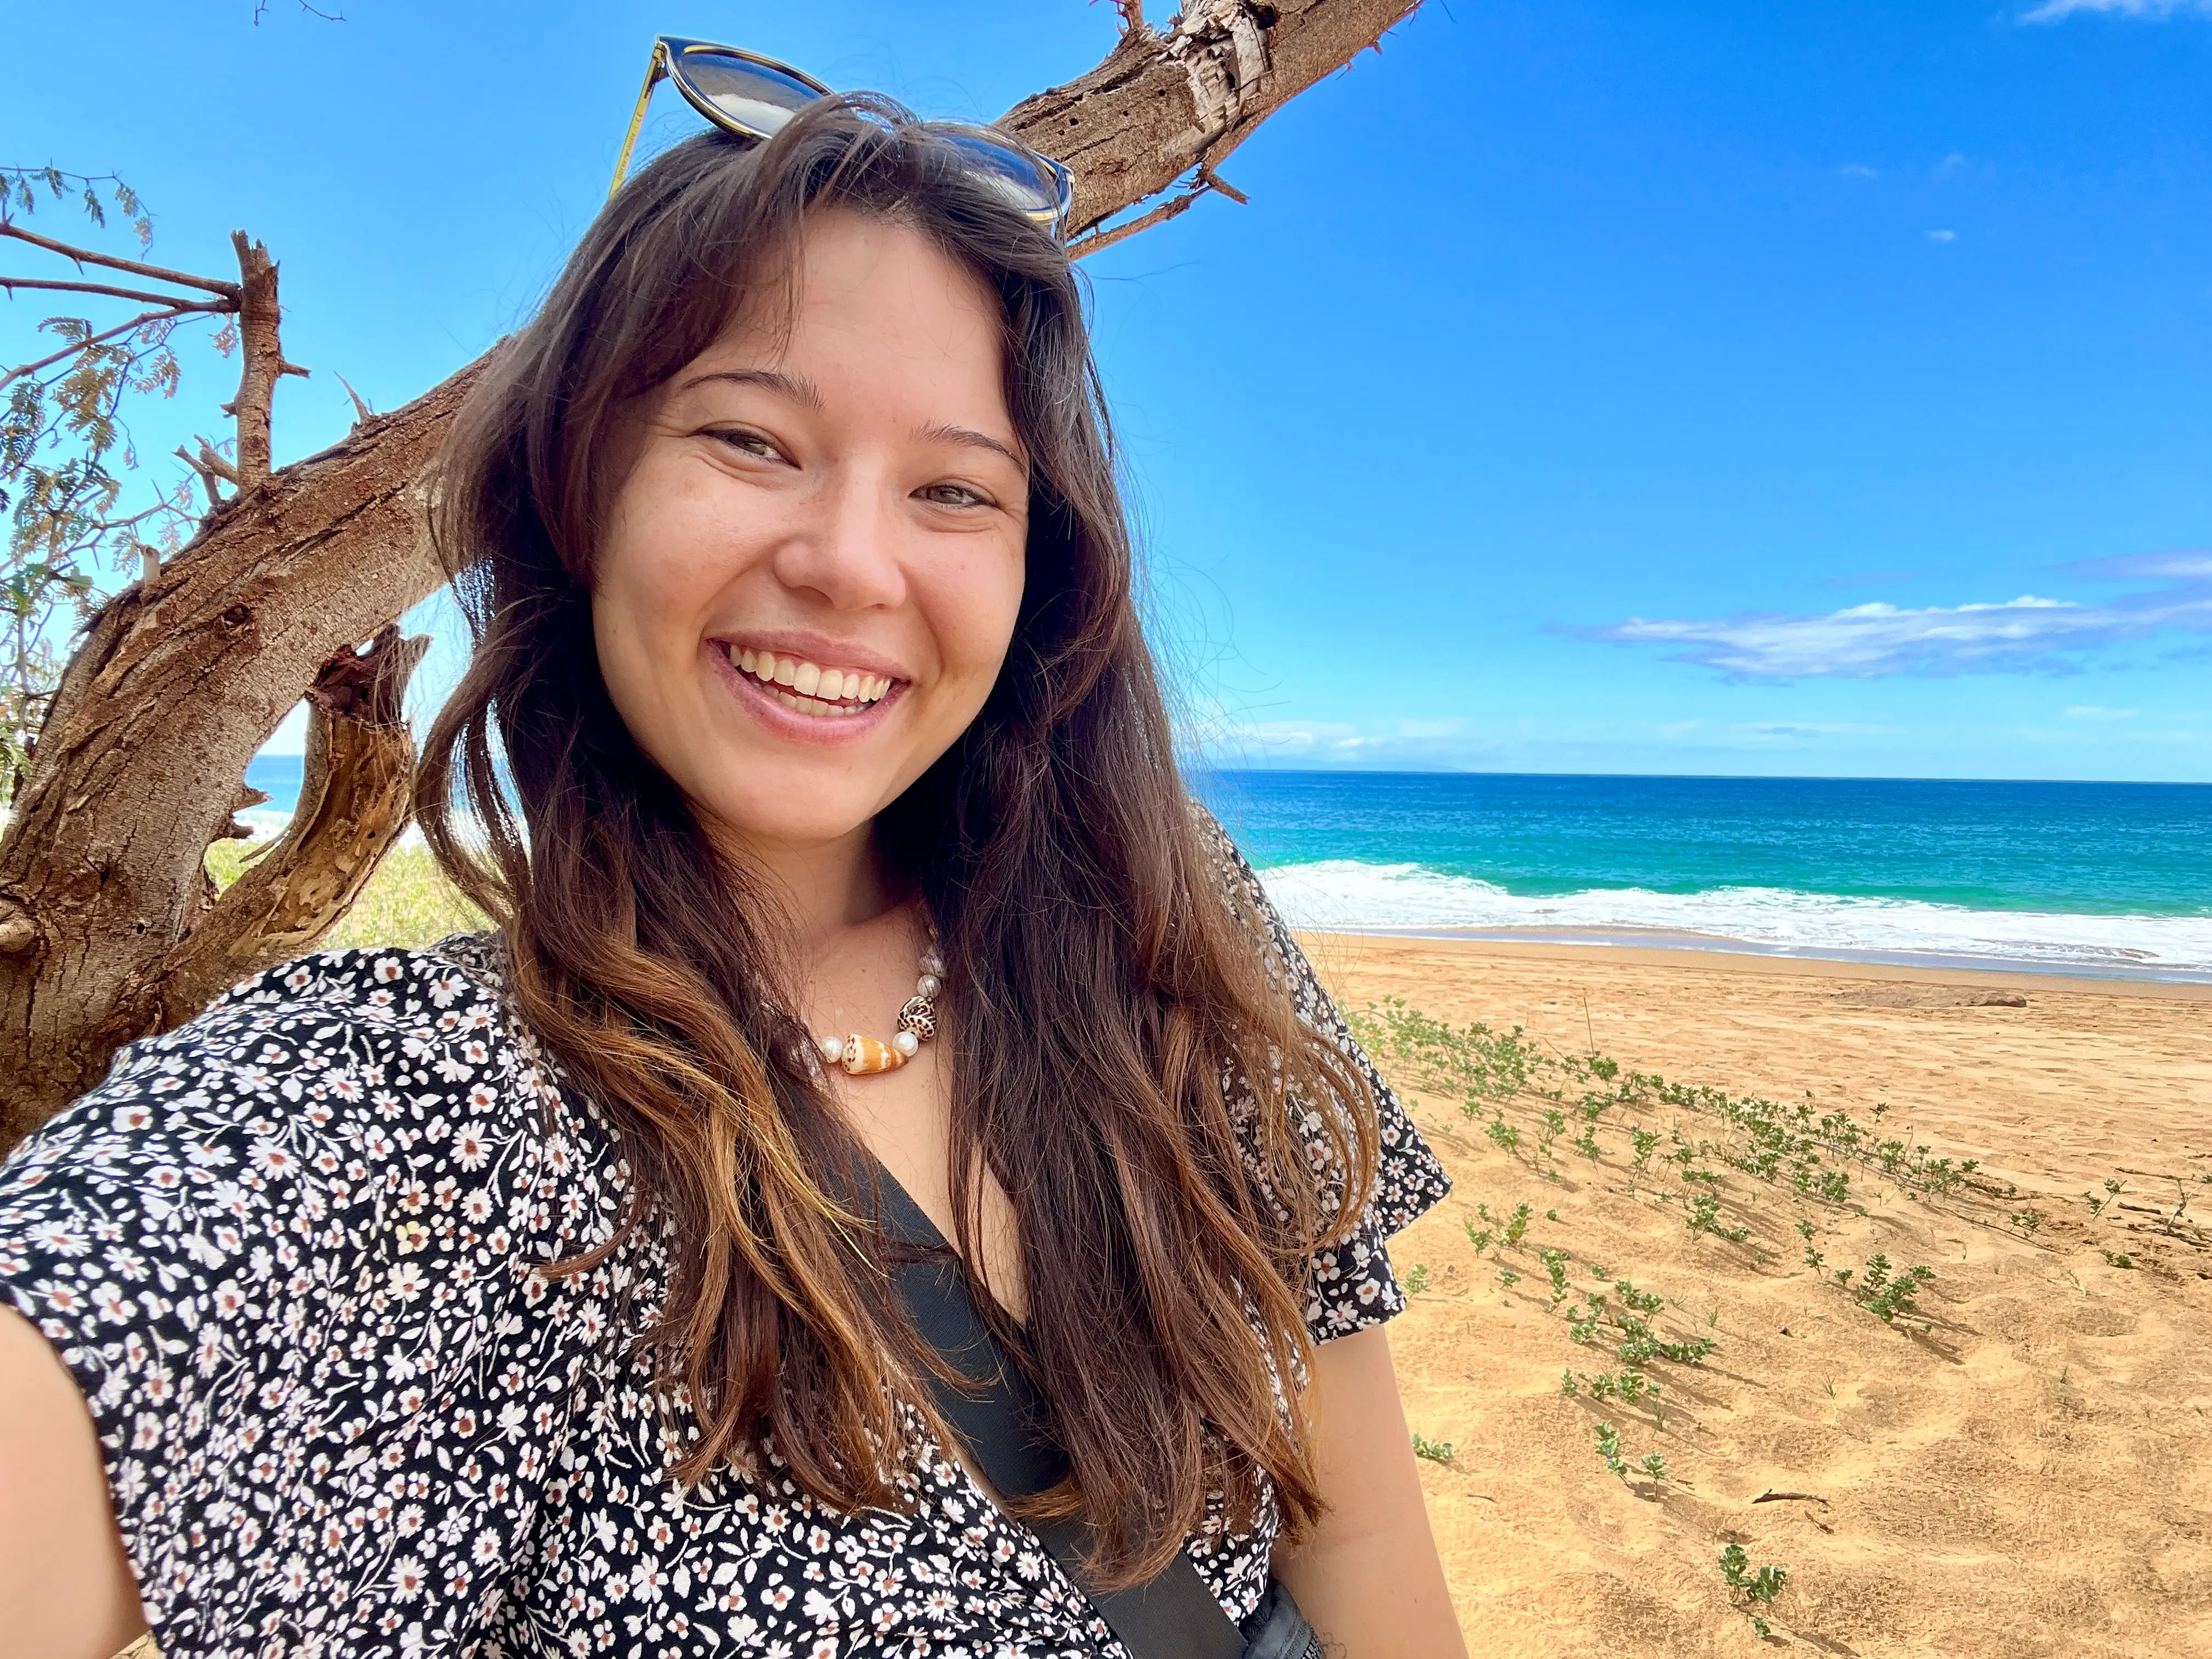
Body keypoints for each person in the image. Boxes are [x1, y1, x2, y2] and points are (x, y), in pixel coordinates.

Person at [0, 64, 1463, 1659]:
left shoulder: (1168, 919)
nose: (849, 559)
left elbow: (1359, 1522)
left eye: (954, 489)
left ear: (1039, 570)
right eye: (753, 440)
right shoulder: (416, 1116)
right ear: (582, 492)